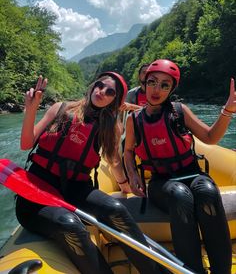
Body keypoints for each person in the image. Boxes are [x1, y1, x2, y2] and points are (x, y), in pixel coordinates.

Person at [16, 73, 162, 274]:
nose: (101, 92)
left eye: (110, 91)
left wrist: (125, 185)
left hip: (76, 190)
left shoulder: (111, 127)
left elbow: (114, 161)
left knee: (116, 209)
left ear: (115, 100)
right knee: (70, 224)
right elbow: (26, 144)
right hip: (38, 191)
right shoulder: (60, 108)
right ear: (93, 86)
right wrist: (31, 110)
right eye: (100, 85)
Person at [124, 59, 236, 274]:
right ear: (144, 83)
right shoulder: (133, 119)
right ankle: (192, 270)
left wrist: (227, 111)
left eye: (165, 85)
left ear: (171, 89)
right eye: (153, 82)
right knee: (179, 195)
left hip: (191, 172)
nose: (157, 89)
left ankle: (222, 270)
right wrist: (132, 175)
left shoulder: (179, 111)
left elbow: (210, 137)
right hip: (161, 181)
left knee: (207, 191)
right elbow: (128, 151)